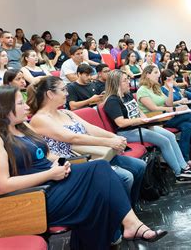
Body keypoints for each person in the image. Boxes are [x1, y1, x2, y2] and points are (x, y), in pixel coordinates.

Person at [0, 86, 167, 248]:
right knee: (98, 180)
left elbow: (46, 155)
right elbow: (2, 186)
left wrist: (63, 164)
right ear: (3, 108)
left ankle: (122, 229)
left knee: (99, 174)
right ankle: (130, 225)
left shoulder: (21, 126)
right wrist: (50, 173)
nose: (27, 107)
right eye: (20, 103)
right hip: (28, 200)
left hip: (50, 184)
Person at [27, 76, 146, 207]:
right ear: (50, 94)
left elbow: (91, 129)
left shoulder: (66, 112)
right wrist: (108, 143)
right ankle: (121, 216)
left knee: (140, 166)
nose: (67, 93)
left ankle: (129, 210)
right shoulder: (39, 119)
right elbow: (72, 137)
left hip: (92, 152)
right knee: (125, 177)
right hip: (73, 160)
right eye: (63, 90)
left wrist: (114, 137)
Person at [102, 69, 191, 184]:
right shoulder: (112, 100)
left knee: (170, 136)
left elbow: (138, 110)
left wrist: (147, 120)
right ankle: (179, 174)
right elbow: (120, 122)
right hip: (128, 132)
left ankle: (184, 167)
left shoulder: (127, 95)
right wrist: (142, 120)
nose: (129, 82)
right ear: (117, 83)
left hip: (141, 126)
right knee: (164, 141)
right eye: (125, 80)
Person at [137, 66, 191, 161]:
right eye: (155, 73)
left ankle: (185, 159)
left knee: (187, 125)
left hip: (164, 116)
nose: (158, 75)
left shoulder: (156, 88)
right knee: (187, 113)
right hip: (155, 121)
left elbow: (168, 103)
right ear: (147, 75)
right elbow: (153, 108)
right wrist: (174, 109)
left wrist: (171, 89)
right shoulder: (142, 90)